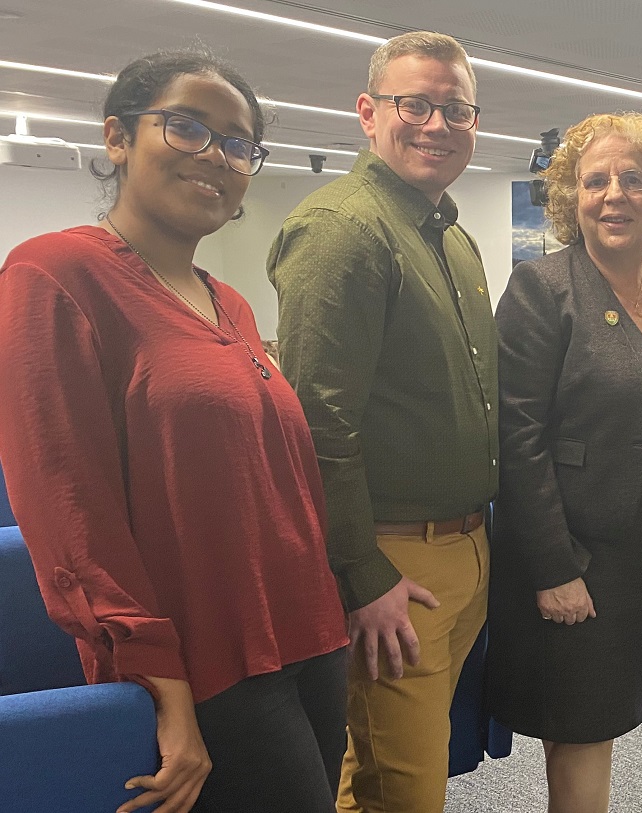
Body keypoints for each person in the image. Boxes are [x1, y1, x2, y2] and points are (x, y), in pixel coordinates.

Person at [0, 49, 348, 813]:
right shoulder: (54, 275)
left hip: (308, 638)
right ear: (118, 137)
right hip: (204, 662)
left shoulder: (230, 303)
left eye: (237, 143)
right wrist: (162, 688)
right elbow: (71, 514)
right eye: (187, 127)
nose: (216, 156)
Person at [267, 31, 497, 813]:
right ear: (368, 113)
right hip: (394, 559)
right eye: (416, 104)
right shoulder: (344, 229)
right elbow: (316, 424)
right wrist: (363, 577)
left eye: (456, 109)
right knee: (407, 787)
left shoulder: (450, 236)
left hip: (462, 547)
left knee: (383, 768)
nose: (437, 123)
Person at [486, 112, 642, 812]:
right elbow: (516, 439)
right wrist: (554, 570)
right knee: (578, 733)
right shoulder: (541, 289)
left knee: (602, 727)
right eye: (596, 180)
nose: (614, 194)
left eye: (633, 179)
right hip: (572, 560)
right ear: (570, 198)